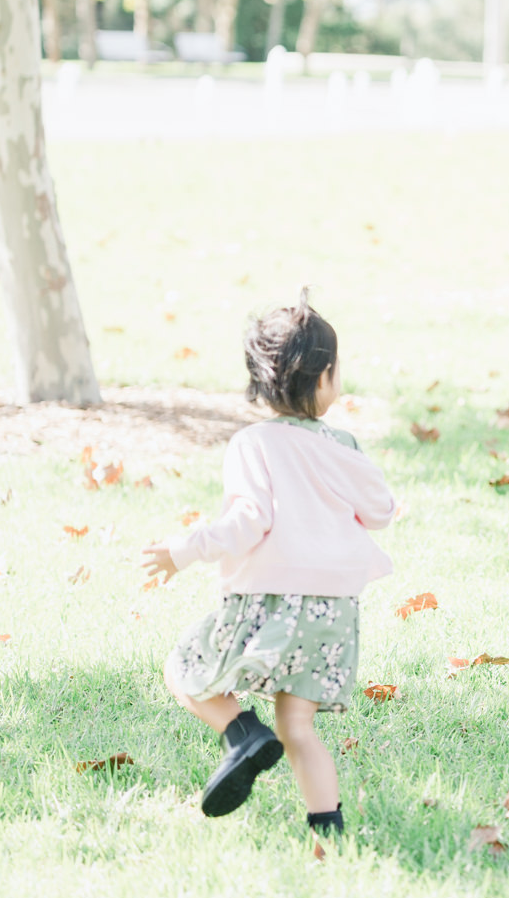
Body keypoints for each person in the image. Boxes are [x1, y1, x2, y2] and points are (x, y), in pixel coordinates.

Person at [141, 290, 399, 833]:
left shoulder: (253, 443)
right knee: (299, 726)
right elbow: (380, 512)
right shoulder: (344, 443)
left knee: (184, 671)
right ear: (326, 375)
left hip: (270, 600)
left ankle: (242, 735)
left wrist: (182, 550)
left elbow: (247, 522)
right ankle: (328, 836)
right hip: (333, 612)